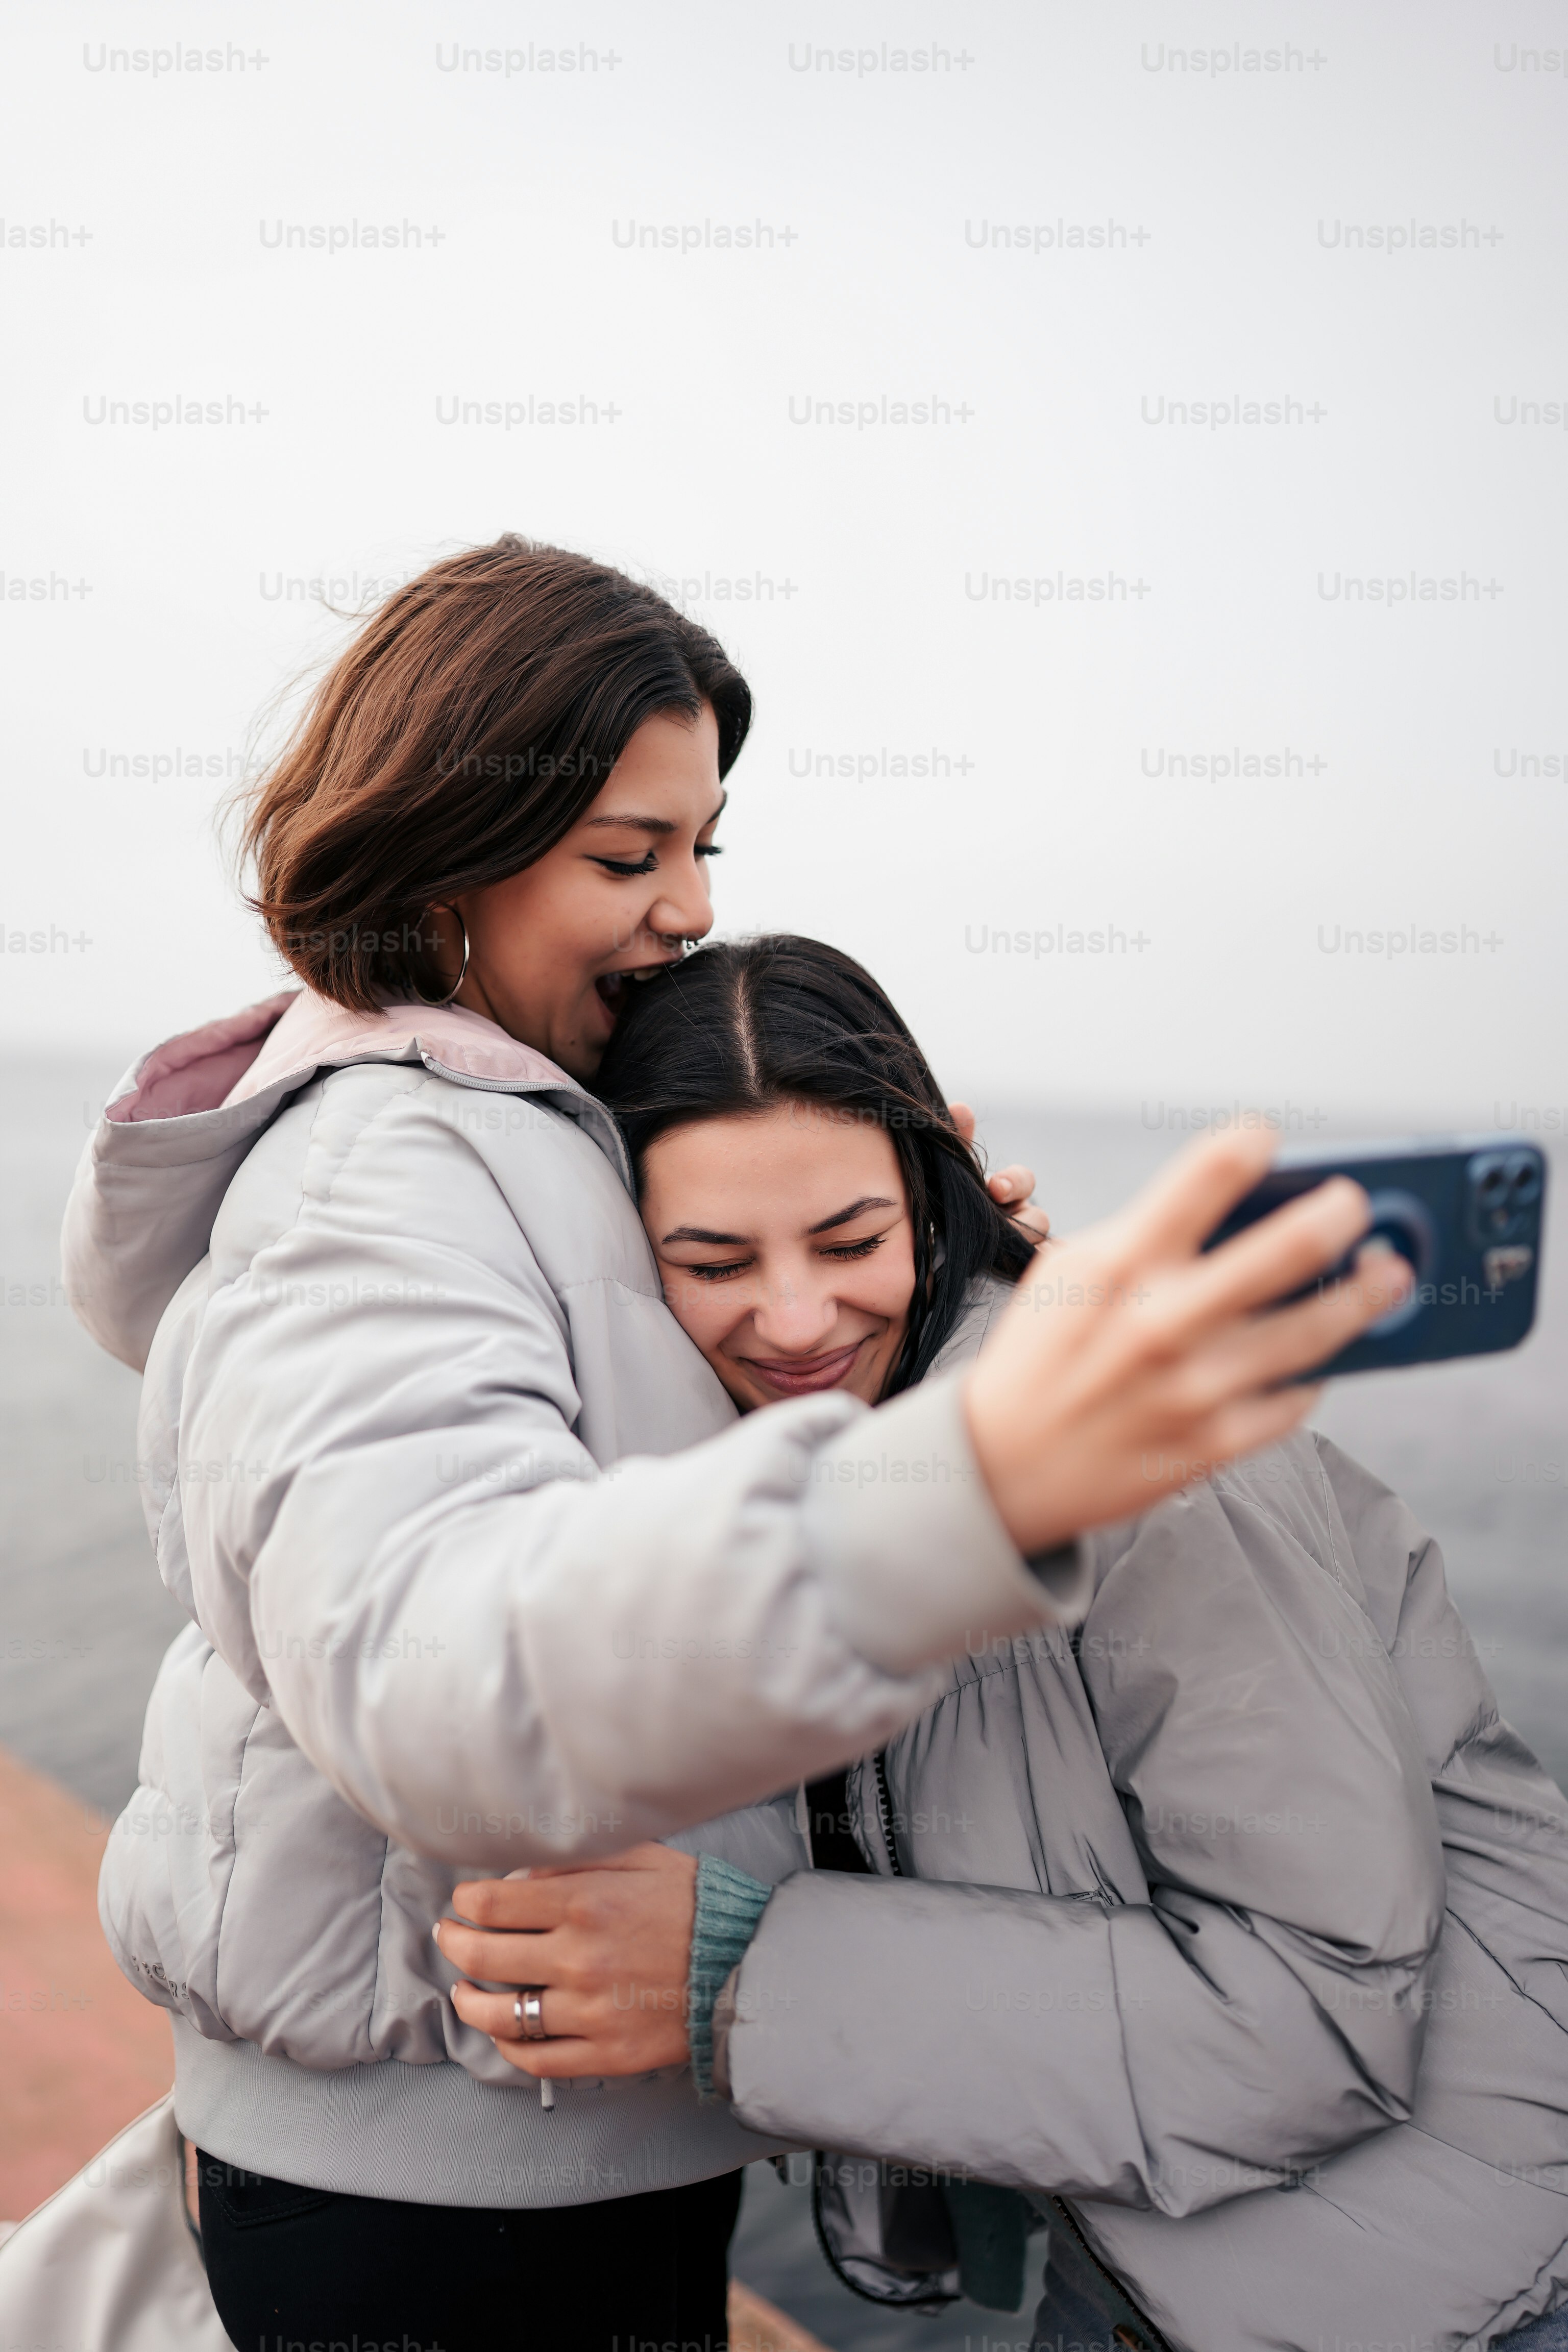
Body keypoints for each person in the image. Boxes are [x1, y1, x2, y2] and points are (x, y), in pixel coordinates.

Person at [63, 537, 1399, 2351]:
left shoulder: (536, 1127)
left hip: (557, 2139)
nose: (686, 905)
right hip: (449, 2189)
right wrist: (977, 1483)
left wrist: (930, 1291)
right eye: (630, 855)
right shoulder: (386, 1171)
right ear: (450, 842)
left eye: (705, 848)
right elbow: (439, 1667)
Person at [445, 935, 1568, 2352]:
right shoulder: (798, 1492)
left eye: (851, 1242)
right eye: (714, 1261)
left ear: (935, 1196)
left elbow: (1319, 2015)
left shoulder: (1150, 1468)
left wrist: (737, 1977)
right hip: (1163, 2270)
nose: (794, 1318)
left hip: (1462, 2288)